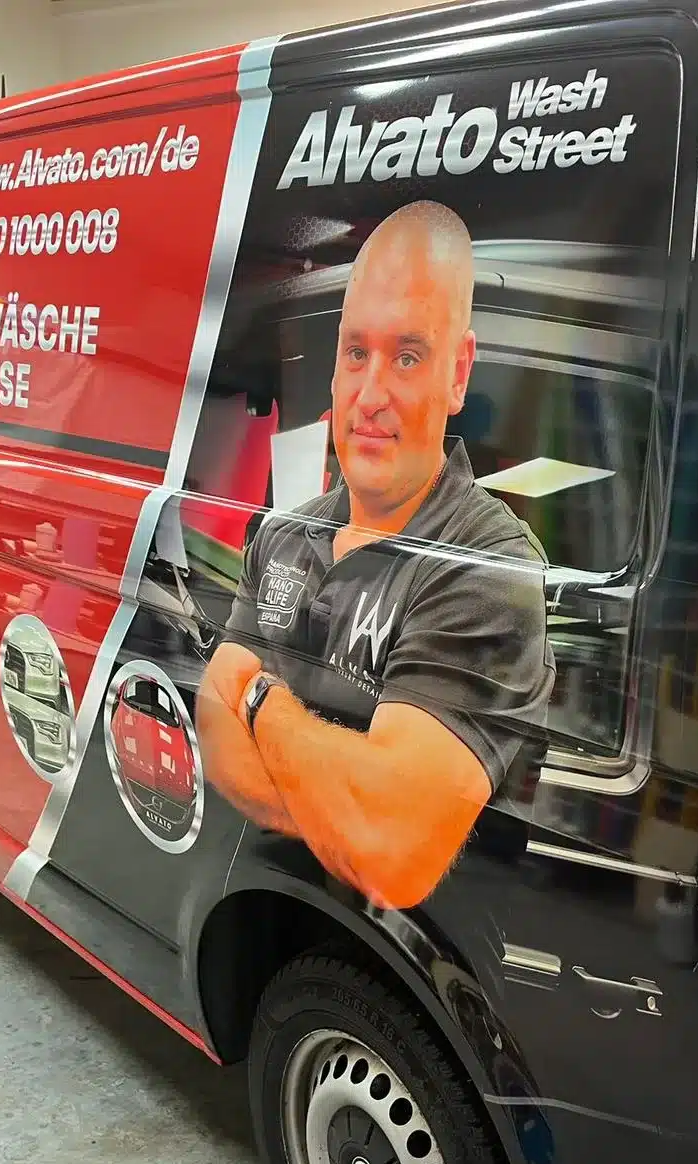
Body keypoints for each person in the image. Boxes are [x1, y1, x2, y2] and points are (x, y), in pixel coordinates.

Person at [197, 199, 555, 909]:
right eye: (355, 352)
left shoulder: (485, 568)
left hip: (408, 967)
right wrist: (340, 799)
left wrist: (262, 702)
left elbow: (388, 850)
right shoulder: (284, 535)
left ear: (458, 374)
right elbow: (213, 726)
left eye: (408, 357)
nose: (369, 395)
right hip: (258, 921)